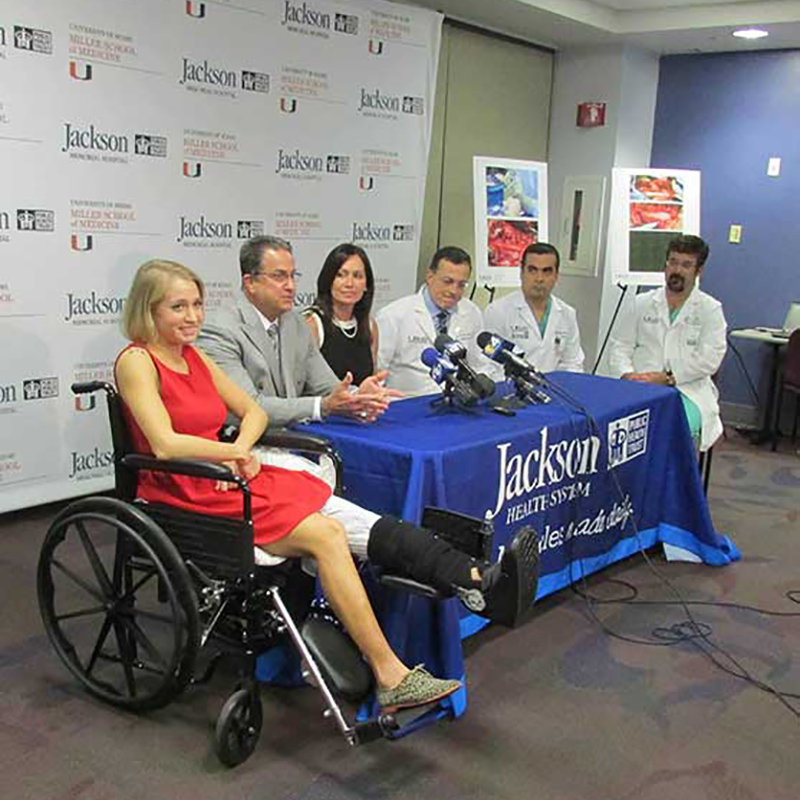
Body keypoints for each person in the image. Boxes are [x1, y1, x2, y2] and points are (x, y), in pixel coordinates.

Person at [115, 259, 539, 711]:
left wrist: (238, 449)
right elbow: (163, 444)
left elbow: (253, 412)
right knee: (328, 534)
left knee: (343, 517)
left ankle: (473, 578)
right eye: (178, 307)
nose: (192, 316)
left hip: (226, 475)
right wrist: (234, 455)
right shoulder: (137, 361)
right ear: (149, 309)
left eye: (197, 304)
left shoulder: (194, 357)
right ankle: (391, 673)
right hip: (185, 488)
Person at [197, 236, 389, 428]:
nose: (290, 286)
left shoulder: (295, 322)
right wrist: (321, 407)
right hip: (245, 442)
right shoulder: (220, 330)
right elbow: (250, 406)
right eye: (279, 276)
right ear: (250, 283)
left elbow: (326, 386)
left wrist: (358, 395)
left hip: (293, 435)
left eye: (292, 276)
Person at [608, 235, 727, 451]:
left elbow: (710, 360)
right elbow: (620, 346)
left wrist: (667, 378)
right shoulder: (641, 303)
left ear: (698, 271)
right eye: (672, 262)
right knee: (614, 427)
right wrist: (627, 374)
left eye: (686, 265)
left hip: (687, 390)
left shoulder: (710, 310)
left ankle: (671, 482)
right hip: (638, 385)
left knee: (669, 431)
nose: (677, 270)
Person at [376, 246, 495, 396]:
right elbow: (376, 374)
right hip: (407, 404)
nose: (453, 291)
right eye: (447, 281)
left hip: (458, 403)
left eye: (461, 285)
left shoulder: (471, 312)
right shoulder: (393, 315)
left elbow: (480, 364)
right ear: (430, 276)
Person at [483, 242, 584, 373]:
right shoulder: (497, 312)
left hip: (551, 390)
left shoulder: (567, 314)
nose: (539, 278)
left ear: (556, 276)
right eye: (532, 270)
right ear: (522, 272)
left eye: (546, 271)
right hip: (510, 390)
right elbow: (487, 362)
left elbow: (573, 363)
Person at [304, 243, 377, 384]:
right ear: (328, 280)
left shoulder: (369, 325)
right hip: (324, 405)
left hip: (362, 405)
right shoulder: (311, 323)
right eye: (340, 275)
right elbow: (304, 383)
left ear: (366, 285)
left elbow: (372, 377)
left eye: (357, 276)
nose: (349, 283)